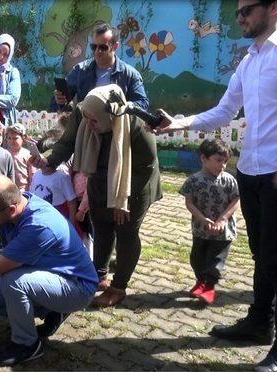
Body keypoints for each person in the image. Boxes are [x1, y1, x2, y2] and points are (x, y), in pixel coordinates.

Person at [156, 1, 277, 368]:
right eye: (237, 12)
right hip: (252, 172)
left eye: (246, 10)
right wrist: (176, 124)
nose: (239, 18)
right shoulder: (250, 60)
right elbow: (225, 111)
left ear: (272, 7)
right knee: (263, 256)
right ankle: (260, 323)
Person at [32, 84, 161, 307]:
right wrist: (46, 160)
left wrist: (123, 201)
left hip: (132, 185)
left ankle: (119, 286)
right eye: (86, 119)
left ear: (110, 117)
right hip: (99, 179)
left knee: (126, 232)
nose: (88, 125)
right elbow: (67, 142)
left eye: (94, 121)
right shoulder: (85, 112)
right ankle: (98, 275)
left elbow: (145, 168)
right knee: (101, 226)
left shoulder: (137, 127)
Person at [0, 174, 98, 366]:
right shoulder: (12, 202)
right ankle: (51, 311)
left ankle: (27, 345)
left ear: (11, 210)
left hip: (78, 287)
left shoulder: (38, 225)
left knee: (14, 280)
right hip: (48, 273)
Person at [179, 139, 239, 305]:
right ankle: (200, 282)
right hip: (201, 229)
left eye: (225, 161)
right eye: (218, 160)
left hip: (223, 231)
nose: (223, 165)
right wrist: (203, 219)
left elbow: (235, 201)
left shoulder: (229, 180)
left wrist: (222, 220)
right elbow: (189, 202)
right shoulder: (194, 180)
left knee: (216, 260)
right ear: (203, 158)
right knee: (197, 258)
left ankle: (209, 287)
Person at [49, 23, 148, 113]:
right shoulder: (80, 70)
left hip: (117, 128)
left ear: (115, 46)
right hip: (86, 128)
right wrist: (60, 101)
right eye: (93, 47)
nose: (97, 51)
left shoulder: (130, 74)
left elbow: (142, 103)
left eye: (102, 47)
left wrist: (120, 107)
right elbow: (59, 105)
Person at [6, 123, 33, 192]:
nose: (12, 141)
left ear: (23, 139)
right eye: (9, 138)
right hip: (8, 188)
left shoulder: (27, 154)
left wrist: (30, 188)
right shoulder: (5, 154)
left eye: (15, 138)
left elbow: (32, 174)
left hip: (23, 189)